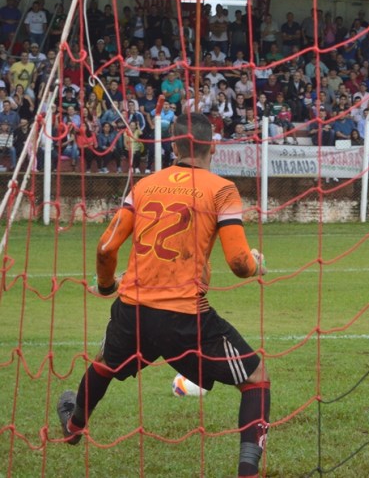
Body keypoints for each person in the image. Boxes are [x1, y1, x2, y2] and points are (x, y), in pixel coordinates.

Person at [56, 113, 270, 478]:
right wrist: (255, 265)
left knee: (104, 364)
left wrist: (107, 286)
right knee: (256, 378)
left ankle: (74, 427)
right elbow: (237, 260)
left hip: (133, 309)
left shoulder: (144, 186)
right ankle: (248, 473)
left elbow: (107, 248)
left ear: (173, 146)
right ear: (212, 146)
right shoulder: (221, 189)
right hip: (186, 316)